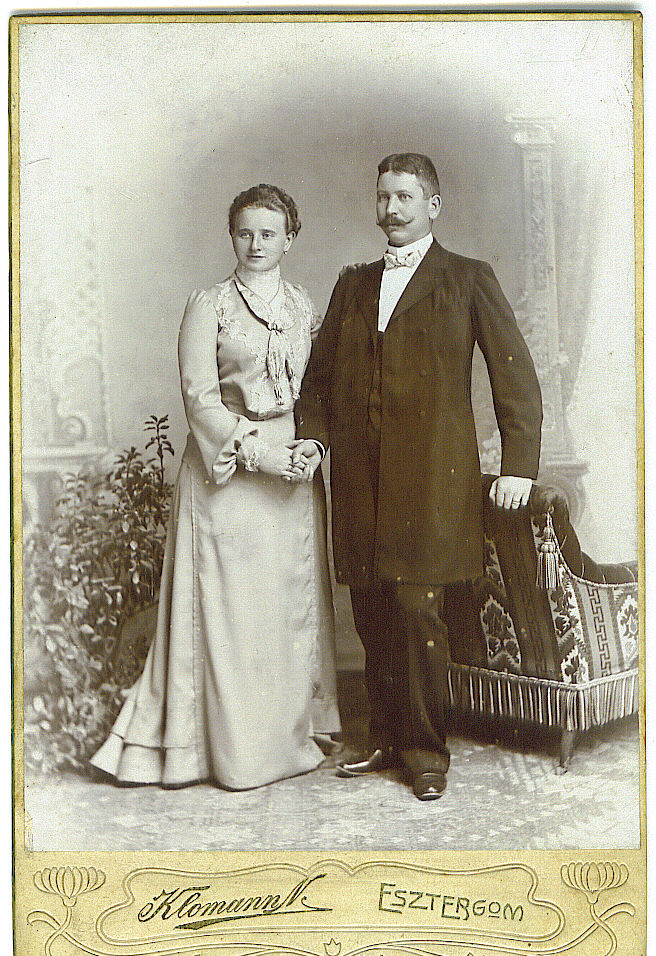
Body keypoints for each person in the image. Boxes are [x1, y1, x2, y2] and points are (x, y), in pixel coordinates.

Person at [293, 153, 542, 801]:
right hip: (360, 481)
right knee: (372, 611)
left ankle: (426, 752)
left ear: (433, 205)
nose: (391, 209)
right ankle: (383, 737)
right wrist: (313, 439)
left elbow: (514, 374)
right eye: (383, 197)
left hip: (432, 480)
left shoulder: (468, 278)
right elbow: (317, 380)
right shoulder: (353, 285)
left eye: (405, 197)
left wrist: (518, 463)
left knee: (417, 612)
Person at [91, 184, 340, 790]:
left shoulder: (302, 305)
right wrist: (261, 453)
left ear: (290, 239)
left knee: (284, 611)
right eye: (245, 232)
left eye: (269, 233)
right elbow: (199, 398)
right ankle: (233, 754)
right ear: (231, 236)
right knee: (232, 612)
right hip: (229, 471)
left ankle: (287, 740)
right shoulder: (210, 305)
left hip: (292, 477)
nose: (256, 245)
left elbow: (318, 389)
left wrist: (311, 446)